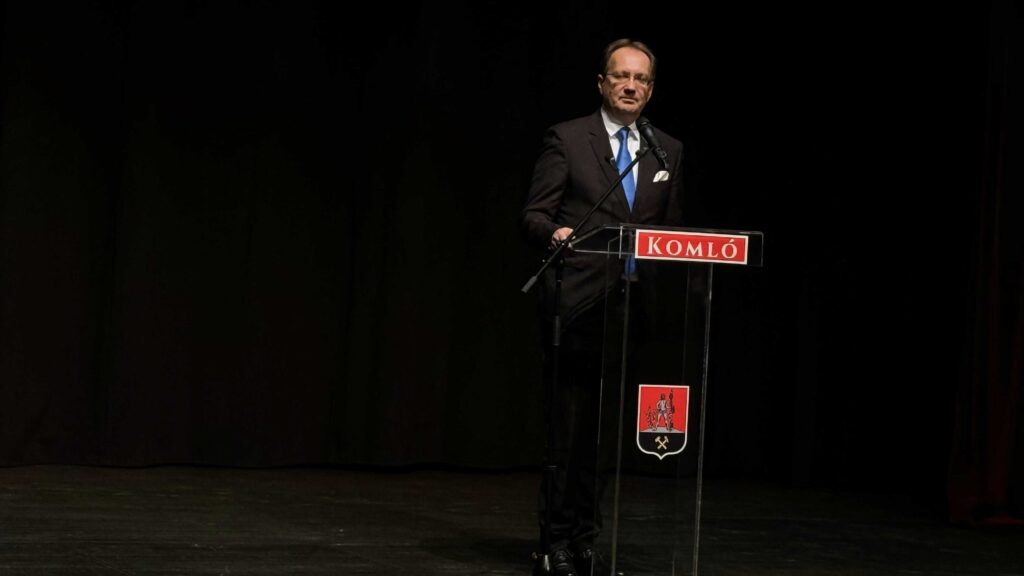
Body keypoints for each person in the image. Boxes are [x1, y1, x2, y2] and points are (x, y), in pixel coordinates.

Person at [520, 38, 684, 576]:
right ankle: (555, 542)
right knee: (568, 434)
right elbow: (534, 215)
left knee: (605, 438)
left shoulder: (666, 151)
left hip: (632, 310)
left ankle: (587, 538)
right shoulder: (568, 139)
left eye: (641, 79)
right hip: (578, 306)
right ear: (602, 83)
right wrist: (556, 233)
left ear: (650, 90)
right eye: (621, 76)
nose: (630, 86)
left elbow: (670, 234)